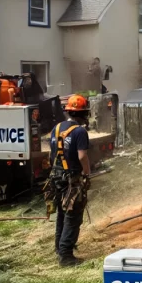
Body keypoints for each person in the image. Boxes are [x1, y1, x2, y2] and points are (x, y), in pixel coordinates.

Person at [49, 95, 92, 267]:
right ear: (83, 114)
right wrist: (87, 174)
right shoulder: (80, 132)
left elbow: (51, 154)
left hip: (56, 176)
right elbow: (82, 156)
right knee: (72, 215)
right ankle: (66, 256)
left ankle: (59, 248)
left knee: (61, 211)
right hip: (72, 178)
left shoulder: (57, 128)